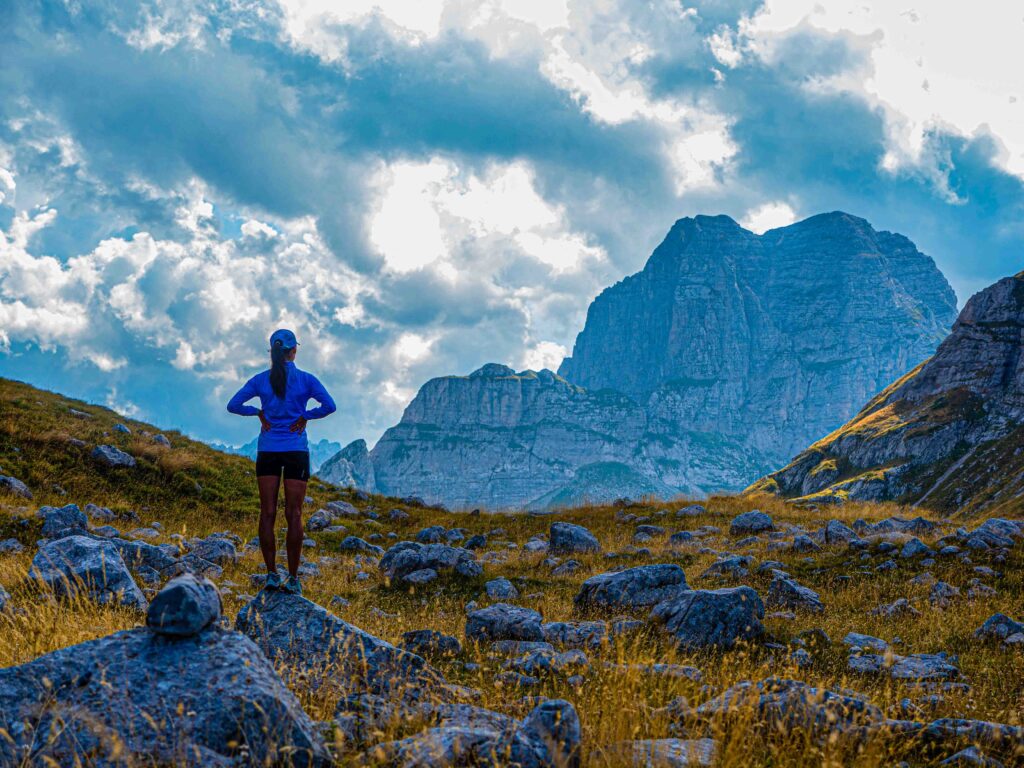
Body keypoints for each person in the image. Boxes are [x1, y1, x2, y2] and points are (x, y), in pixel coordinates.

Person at [227, 329, 336, 595]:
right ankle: (294, 578)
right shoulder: (306, 379)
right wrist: (305, 416)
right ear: (293, 351)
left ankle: (272, 575)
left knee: (267, 513)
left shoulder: (261, 380)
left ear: (273, 351)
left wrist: (258, 412)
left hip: (268, 450)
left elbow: (233, 405)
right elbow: (329, 406)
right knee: (294, 514)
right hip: (296, 450)